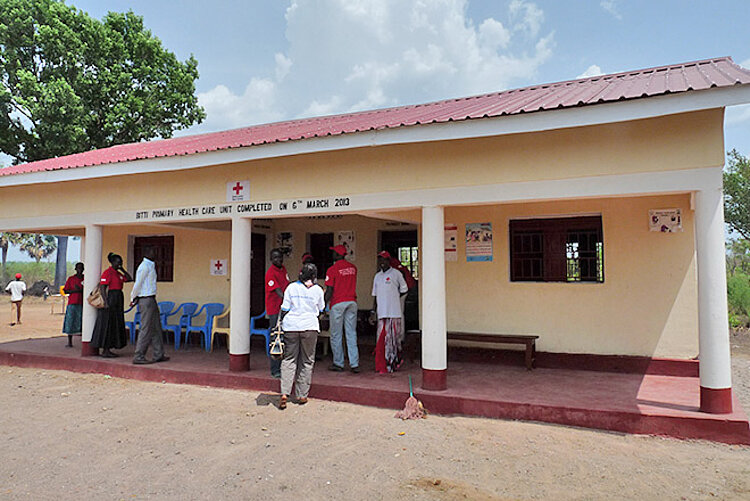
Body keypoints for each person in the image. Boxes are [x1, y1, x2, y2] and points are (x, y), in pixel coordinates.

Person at [278, 263, 325, 409]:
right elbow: (321, 308)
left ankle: (285, 392)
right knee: (307, 360)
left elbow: (285, 308)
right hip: (310, 327)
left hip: (291, 326)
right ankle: (302, 394)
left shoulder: (291, 287)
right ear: (314, 276)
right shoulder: (318, 290)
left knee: (289, 359)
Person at [371, 251, 408, 374]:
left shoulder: (396, 274)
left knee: (393, 341)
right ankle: (382, 363)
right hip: (382, 313)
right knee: (381, 340)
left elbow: (404, 290)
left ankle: (393, 363)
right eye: (380, 259)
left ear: (388, 260)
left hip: (394, 313)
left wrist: (395, 299)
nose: (382, 262)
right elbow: (375, 296)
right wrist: (373, 311)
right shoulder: (377, 276)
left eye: (384, 259)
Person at [324, 244, 359, 373]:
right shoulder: (353, 268)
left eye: (334, 252)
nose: (332, 254)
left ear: (338, 255)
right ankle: (354, 363)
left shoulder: (332, 269)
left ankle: (338, 363)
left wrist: (322, 305)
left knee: (336, 334)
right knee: (351, 333)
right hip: (352, 302)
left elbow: (329, 290)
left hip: (338, 303)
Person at [130, 248, 169, 365]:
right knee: (146, 328)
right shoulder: (144, 267)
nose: (155, 253)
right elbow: (138, 284)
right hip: (145, 299)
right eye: (153, 251)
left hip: (151, 299)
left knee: (156, 327)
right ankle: (139, 355)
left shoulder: (151, 265)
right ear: (147, 253)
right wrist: (133, 297)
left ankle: (159, 354)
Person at [90, 253, 132, 358]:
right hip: (110, 298)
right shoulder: (107, 273)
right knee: (107, 324)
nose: (119, 264)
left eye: (120, 262)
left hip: (118, 298)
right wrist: (105, 302)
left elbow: (129, 278)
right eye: (118, 262)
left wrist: (122, 269)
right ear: (112, 262)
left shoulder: (118, 273)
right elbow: (103, 288)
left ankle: (111, 347)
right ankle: (105, 350)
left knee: (115, 323)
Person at [265, 248, 290, 378]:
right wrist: (290, 300)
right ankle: (275, 369)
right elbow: (278, 291)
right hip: (275, 309)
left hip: (284, 308)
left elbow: (287, 285)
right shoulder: (270, 273)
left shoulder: (283, 269)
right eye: (275, 258)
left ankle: (283, 366)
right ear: (271, 259)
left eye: (280, 257)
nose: (278, 260)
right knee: (276, 338)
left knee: (284, 338)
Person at [62, 263, 85, 347]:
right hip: (72, 303)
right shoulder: (71, 279)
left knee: (83, 322)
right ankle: (70, 342)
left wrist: (81, 290)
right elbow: (65, 291)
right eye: (78, 268)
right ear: (75, 269)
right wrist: (75, 291)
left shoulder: (85, 278)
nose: (80, 270)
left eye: (81, 268)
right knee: (70, 322)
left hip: (83, 304)